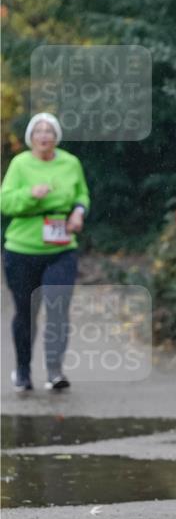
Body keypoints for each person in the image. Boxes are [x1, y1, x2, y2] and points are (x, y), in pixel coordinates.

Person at [1, 112, 90, 391]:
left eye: (49, 131)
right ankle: (23, 371)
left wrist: (78, 211)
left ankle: (54, 371)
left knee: (57, 309)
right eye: (38, 131)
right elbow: (5, 203)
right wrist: (30, 195)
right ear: (30, 137)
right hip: (22, 249)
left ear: (56, 137)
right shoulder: (20, 163)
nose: (44, 136)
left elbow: (82, 194)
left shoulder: (70, 162)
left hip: (62, 248)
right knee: (26, 312)